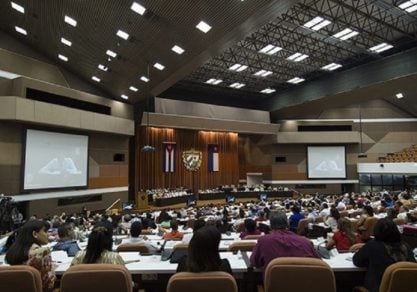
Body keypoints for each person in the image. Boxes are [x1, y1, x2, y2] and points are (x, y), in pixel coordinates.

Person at [352, 218, 416, 292]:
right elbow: (413, 266)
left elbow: (357, 261)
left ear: (376, 231)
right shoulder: (406, 246)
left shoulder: (372, 246)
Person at [250, 211, 319, 273]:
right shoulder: (305, 242)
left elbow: (254, 262)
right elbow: (318, 263)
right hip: (305, 285)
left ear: (270, 226)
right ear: (288, 223)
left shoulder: (263, 241)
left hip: (274, 285)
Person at [5, 220, 56, 291]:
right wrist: (52, 268)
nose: (48, 235)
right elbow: (49, 285)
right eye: (45, 231)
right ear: (35, 234)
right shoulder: (43, 252)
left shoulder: (12, 252)